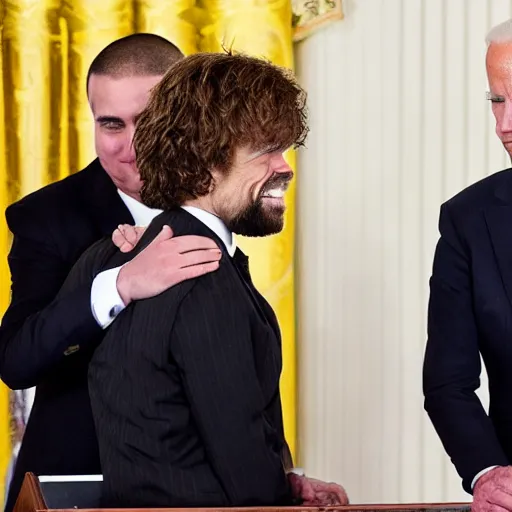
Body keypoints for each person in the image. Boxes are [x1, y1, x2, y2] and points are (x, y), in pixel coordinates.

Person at [57, 51, 348, 508]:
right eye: (265, 151)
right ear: (203, 163)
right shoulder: (203, 276)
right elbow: (239, 448)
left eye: (285, 148)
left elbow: (181, 436)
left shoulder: (112, 254)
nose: (285, 167)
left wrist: (287, 480)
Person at [0, 33, 223, 512]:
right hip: (81, 487)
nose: (132, 146)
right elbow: (17, 360)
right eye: (111, 124)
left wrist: (280, 474)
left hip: (207, 490)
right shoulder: (47, 216)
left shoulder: (225, 195)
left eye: (150, 122)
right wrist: (120, 284)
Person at [423, 18, 512, 512]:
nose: (504, 124)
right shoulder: (467, 219)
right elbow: (447, 382)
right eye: (496, 101)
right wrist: (487, 474)